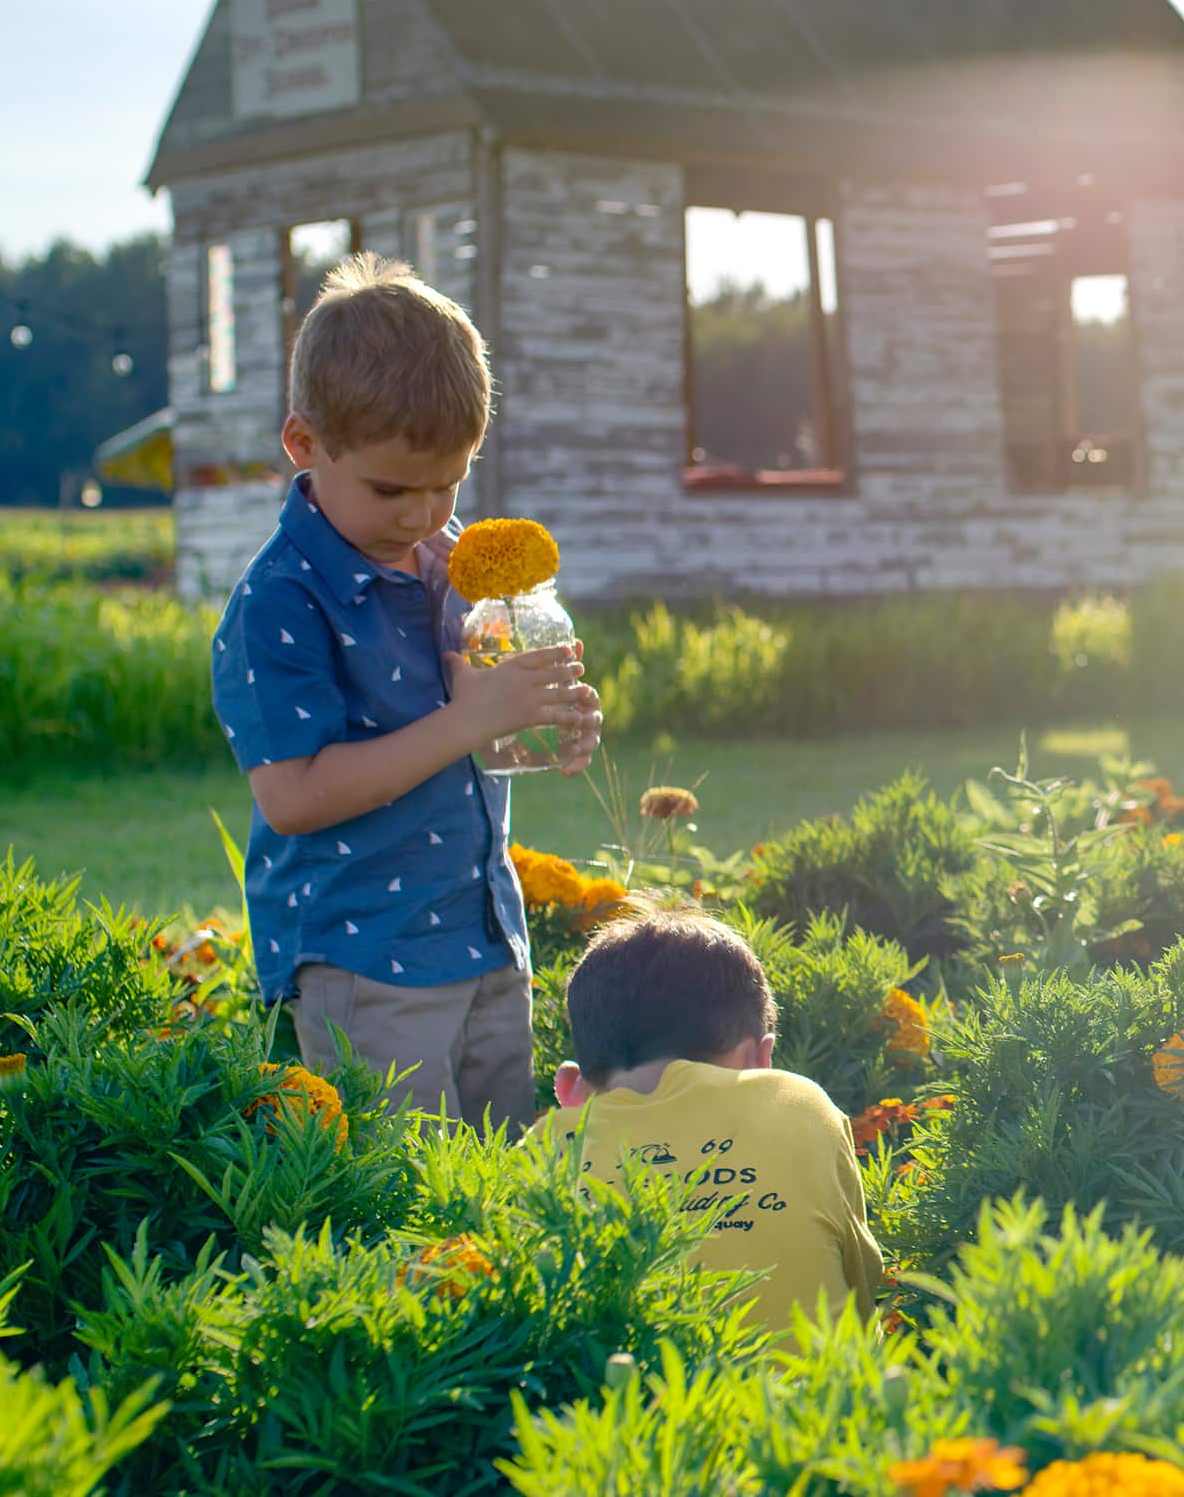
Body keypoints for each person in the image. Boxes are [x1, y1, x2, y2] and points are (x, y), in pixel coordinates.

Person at [210, 253, 601, 1132]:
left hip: (483, 932)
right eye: (392, 488)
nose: (426, 514)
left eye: (450, 482)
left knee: (493, 1182)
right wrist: (468, 721)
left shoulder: (452, 564)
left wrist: (548, 721)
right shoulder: (280, 601)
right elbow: (295, 795)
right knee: (402, 1206)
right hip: (367, 959)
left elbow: (486, 726)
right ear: (304, 445)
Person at [541, 905, 886, 1337]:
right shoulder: (800, 1103)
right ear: (759, 1059)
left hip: (621, 1398)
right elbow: (864, 1280)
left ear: (571, 1086)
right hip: (817, 1400)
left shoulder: (543, 1150)